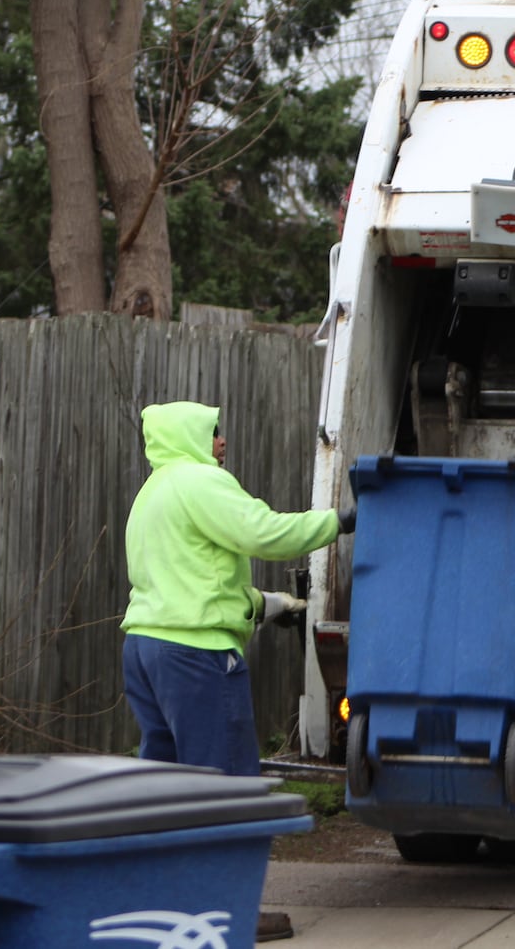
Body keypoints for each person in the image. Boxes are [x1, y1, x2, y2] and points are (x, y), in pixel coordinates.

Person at [122, 401, 354, 941]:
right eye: (214, 433)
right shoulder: (202, 482)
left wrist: (271, 605)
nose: (223, 443)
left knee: (166, 784)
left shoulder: (152, 493)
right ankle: (225, 915)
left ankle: (162, 907)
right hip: (195, 656)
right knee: (226, 785)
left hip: (145, 650)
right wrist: (336, 522)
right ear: (191, 438)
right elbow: (264, 533)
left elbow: (191, 581)